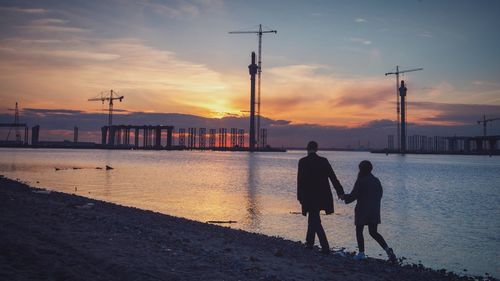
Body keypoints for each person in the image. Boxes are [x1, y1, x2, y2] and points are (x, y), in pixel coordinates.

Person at [343, 160, 397, 263]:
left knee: (359, 231)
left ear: (361, 170)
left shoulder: (361, 181)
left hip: (362, 210)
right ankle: (388, 250)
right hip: (374, 210)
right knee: (373, 232)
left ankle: (361, 253)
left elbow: (353, 196)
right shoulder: (376, 180)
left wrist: (344, 197)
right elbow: (380, 195)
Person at [297, 141, 345, 254]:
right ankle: (309, 243)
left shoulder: (303, 161)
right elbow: (333, 177)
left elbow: (300, 181)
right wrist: (340, 192)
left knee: (315, 219)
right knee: (314, 218)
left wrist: (300, 196)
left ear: (307, 148)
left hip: (308, 195)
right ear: (317, 149)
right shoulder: (323, 161)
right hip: (322, 195)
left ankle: (325, 246)